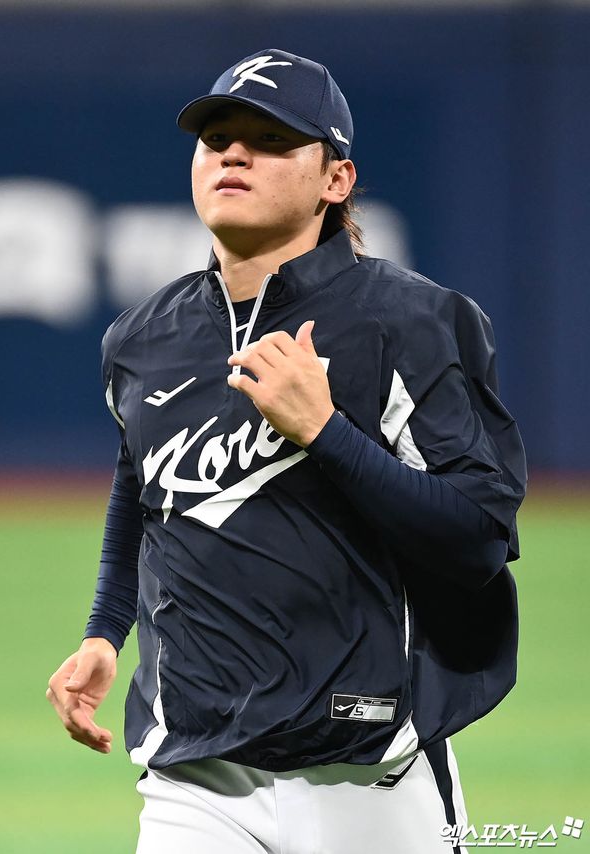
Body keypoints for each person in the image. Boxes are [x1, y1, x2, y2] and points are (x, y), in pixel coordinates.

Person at [47, 49, 526, 853]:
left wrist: (326, 433)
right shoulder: (141, 338)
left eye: (271, 139)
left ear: (336, 179)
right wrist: (104, 630)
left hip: (369, 776)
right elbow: (143, 487)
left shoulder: (412, 323)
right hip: (193, 778)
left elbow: (478, 537)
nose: (233, 154)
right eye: (217, 138)